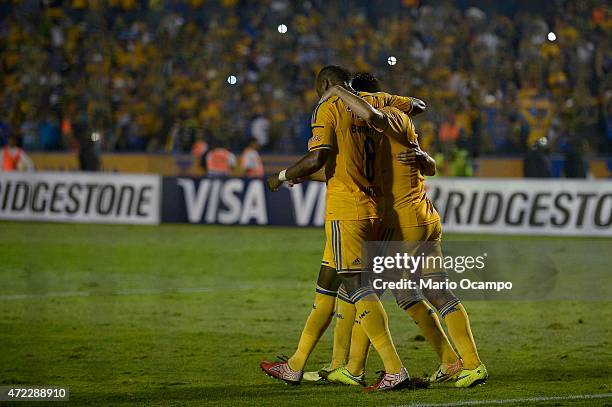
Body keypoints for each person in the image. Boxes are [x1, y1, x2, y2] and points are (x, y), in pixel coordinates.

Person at [260, 65, 428, 391]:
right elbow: (417, 106)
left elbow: (318, 157)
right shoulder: (374, 103)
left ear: (325, 84)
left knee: (356, 287)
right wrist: (304, 174)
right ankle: (295, 365)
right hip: (374, 209)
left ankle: (394, 369)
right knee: (326, 284)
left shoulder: (329, 106)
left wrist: (280, 177)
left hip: (346, 212)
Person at [323, 76, 487, 388]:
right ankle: (457, 362)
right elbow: (423, 162)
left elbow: (377, 117)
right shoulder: (379, 131)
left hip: (406, 221)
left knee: (367, 289)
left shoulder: (388, 117)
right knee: (422, 292)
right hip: (421, 216)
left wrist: (339, 91)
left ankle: (354, 368)